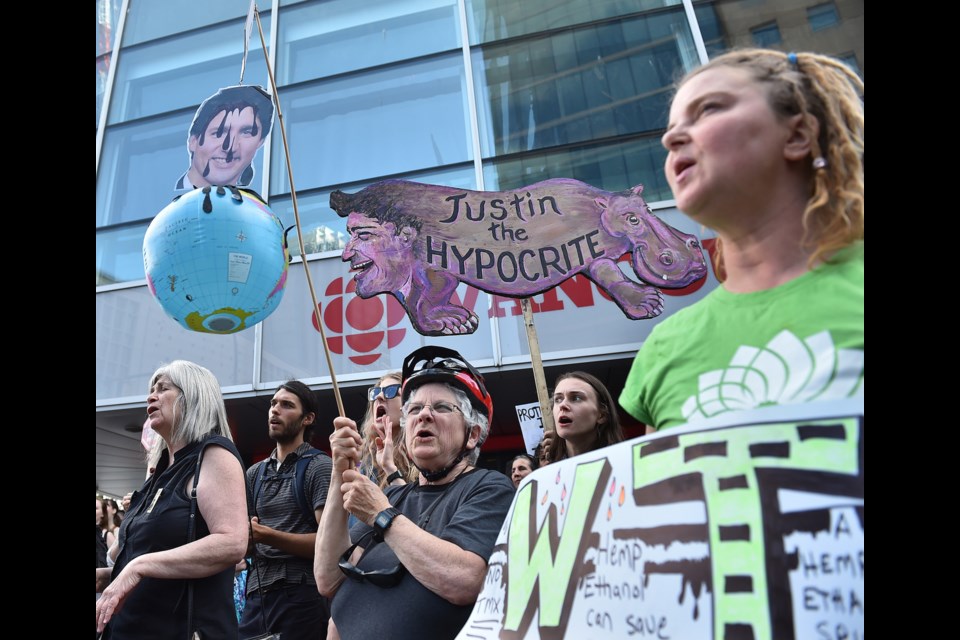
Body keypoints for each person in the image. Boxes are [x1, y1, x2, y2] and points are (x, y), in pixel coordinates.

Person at [619, 49, 864, 431]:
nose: (671, 138)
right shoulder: (665, 347)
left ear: (798, 135)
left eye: (709, 110)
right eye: (670, 127)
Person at [315, 346, 515, 640]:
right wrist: (338, 473)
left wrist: (383, 516)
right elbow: (329, 578)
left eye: (442, 407)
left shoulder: (489, 487)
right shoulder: (395, 497)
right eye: (414, 409)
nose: (424, 416)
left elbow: (464, 580)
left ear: (472, 435)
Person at [96, 360, 248, 638]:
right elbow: (147, 556)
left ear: (193, 397)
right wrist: (109, 576)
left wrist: (138, 567)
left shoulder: (213, 455)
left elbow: (232, 543)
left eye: (163, 388)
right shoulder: (160, 473)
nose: (151, 395)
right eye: (151, 389)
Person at [240, 380, 333, 640]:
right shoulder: (253, 474)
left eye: (286, 405)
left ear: (308, 418)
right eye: (273, 404)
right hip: (256, 597)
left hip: (303, 595)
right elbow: (245, 541)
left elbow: (330, 544)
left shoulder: (319, 466)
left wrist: (265, 535)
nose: (275, 410)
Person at [175, 85, 274, 191]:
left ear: (260, 141)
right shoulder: (162, 202)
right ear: (193, 141)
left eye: (246, 132)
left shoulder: (253, 205)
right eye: (219, 133)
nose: (231, 147)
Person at [547, 371, 625, 463]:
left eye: (576, 398)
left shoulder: (623, 463)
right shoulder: (548, 471)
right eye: (558, 399)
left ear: (602, 415)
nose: (562, 405)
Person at [358, 372, 417, 488]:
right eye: (375, 393)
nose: (379, 397)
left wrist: (390, 470)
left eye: (390, 391)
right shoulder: (367, 460)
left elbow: (415, 505)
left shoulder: (422, 456)